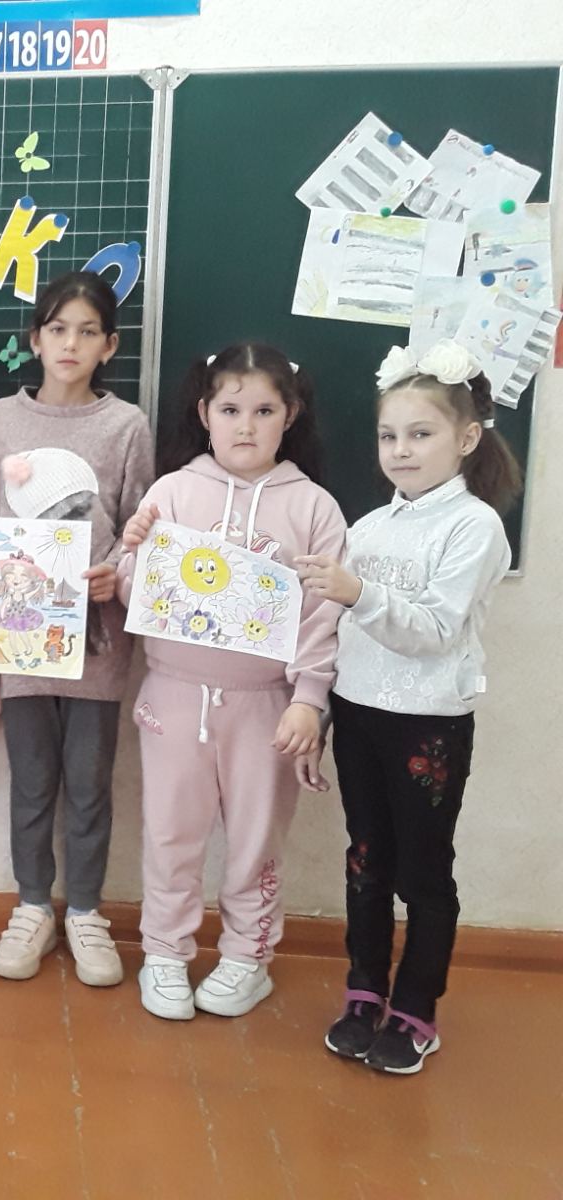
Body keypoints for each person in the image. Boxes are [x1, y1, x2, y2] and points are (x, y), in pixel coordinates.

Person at [296, 341, 520, 1075]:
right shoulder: (367, 528)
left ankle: (416, 1007)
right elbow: (336, 634)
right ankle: (364, 991)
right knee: (365, 858)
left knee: (423, 871)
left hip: (429, 723)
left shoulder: (475, 527)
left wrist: (357, 591)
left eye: (420, 434)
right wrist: (318, 716)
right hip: (358, 716)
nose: (400, 450)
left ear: (466, 437)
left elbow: (435, 630)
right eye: (388, 435)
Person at [118, 343, 344, 1021]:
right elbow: (134, 595)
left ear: (290, 415)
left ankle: (248, 957)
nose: (246, 425)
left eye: (264, 411)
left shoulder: (314, 508)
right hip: (173, 695)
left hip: (266, 705)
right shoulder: (172, 492)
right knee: (170, 834)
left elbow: (324, 614)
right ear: (204, 414)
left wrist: (309, 701)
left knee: (255, 840)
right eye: (230, 409)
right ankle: (165, 953)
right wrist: (132, 553)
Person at [0, 271, 154, 987]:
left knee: (88, 784)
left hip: (99, 643)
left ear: (110, 345)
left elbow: (141, 533)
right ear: (35, 339)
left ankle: (84, 910)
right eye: (57, 329)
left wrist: (117, 574)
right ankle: (31, 907)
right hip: (20, 634)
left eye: (87, 331)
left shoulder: (126, 426)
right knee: (31, 781)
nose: (70, 343)